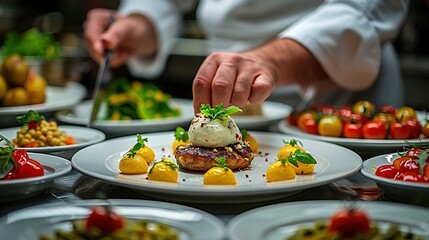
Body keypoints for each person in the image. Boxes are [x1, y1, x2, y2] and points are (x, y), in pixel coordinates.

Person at [84, 0, 409, 112]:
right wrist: (141, 21)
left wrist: (272, 61)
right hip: (226, 91)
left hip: (339, 87)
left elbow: (369, 7)